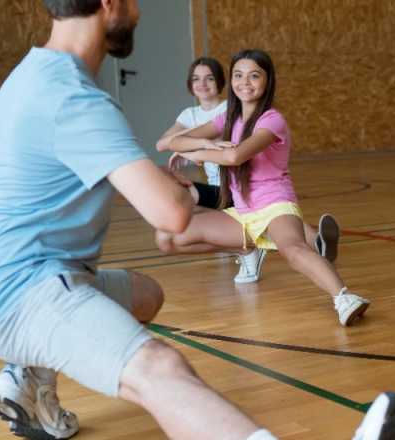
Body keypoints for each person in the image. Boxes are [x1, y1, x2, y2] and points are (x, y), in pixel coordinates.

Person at [0, 1, 395, 439]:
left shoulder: (29, 76)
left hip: (31, 277)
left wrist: (189, 162)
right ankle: (29, 365)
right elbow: (169, 213)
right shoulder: (76, 99)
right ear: (108, 4)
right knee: (160, 368)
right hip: (27, 294)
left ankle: (27, 380)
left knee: (145, 295)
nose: (137, 12)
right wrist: (182, 191)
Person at [157, 49, 370, 327]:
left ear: (267, 81)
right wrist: (208, 143)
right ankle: (247, 249)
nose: (245, 82)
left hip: (274, 205)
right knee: (168, 238)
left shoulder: (272, 120)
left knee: (293, 249)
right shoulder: (227, 120)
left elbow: (235, 156)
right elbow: (173, 142)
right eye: (238, 75)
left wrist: (199, 154)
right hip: (243, 213)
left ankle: (344, 298)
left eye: (254, 75)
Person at [155, 57, 332, 284]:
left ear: (221, 83)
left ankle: (316, 241)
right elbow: (163, 144)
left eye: (209, 78)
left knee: (277, 218)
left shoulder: (233, 107)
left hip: (234, 188)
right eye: (196, 79)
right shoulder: (190, 115)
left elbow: (233, 156)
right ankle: (249, 246)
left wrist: (193, 151)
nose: (202, 84)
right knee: (164, 180)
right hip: (224, 186)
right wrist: (203, 144)